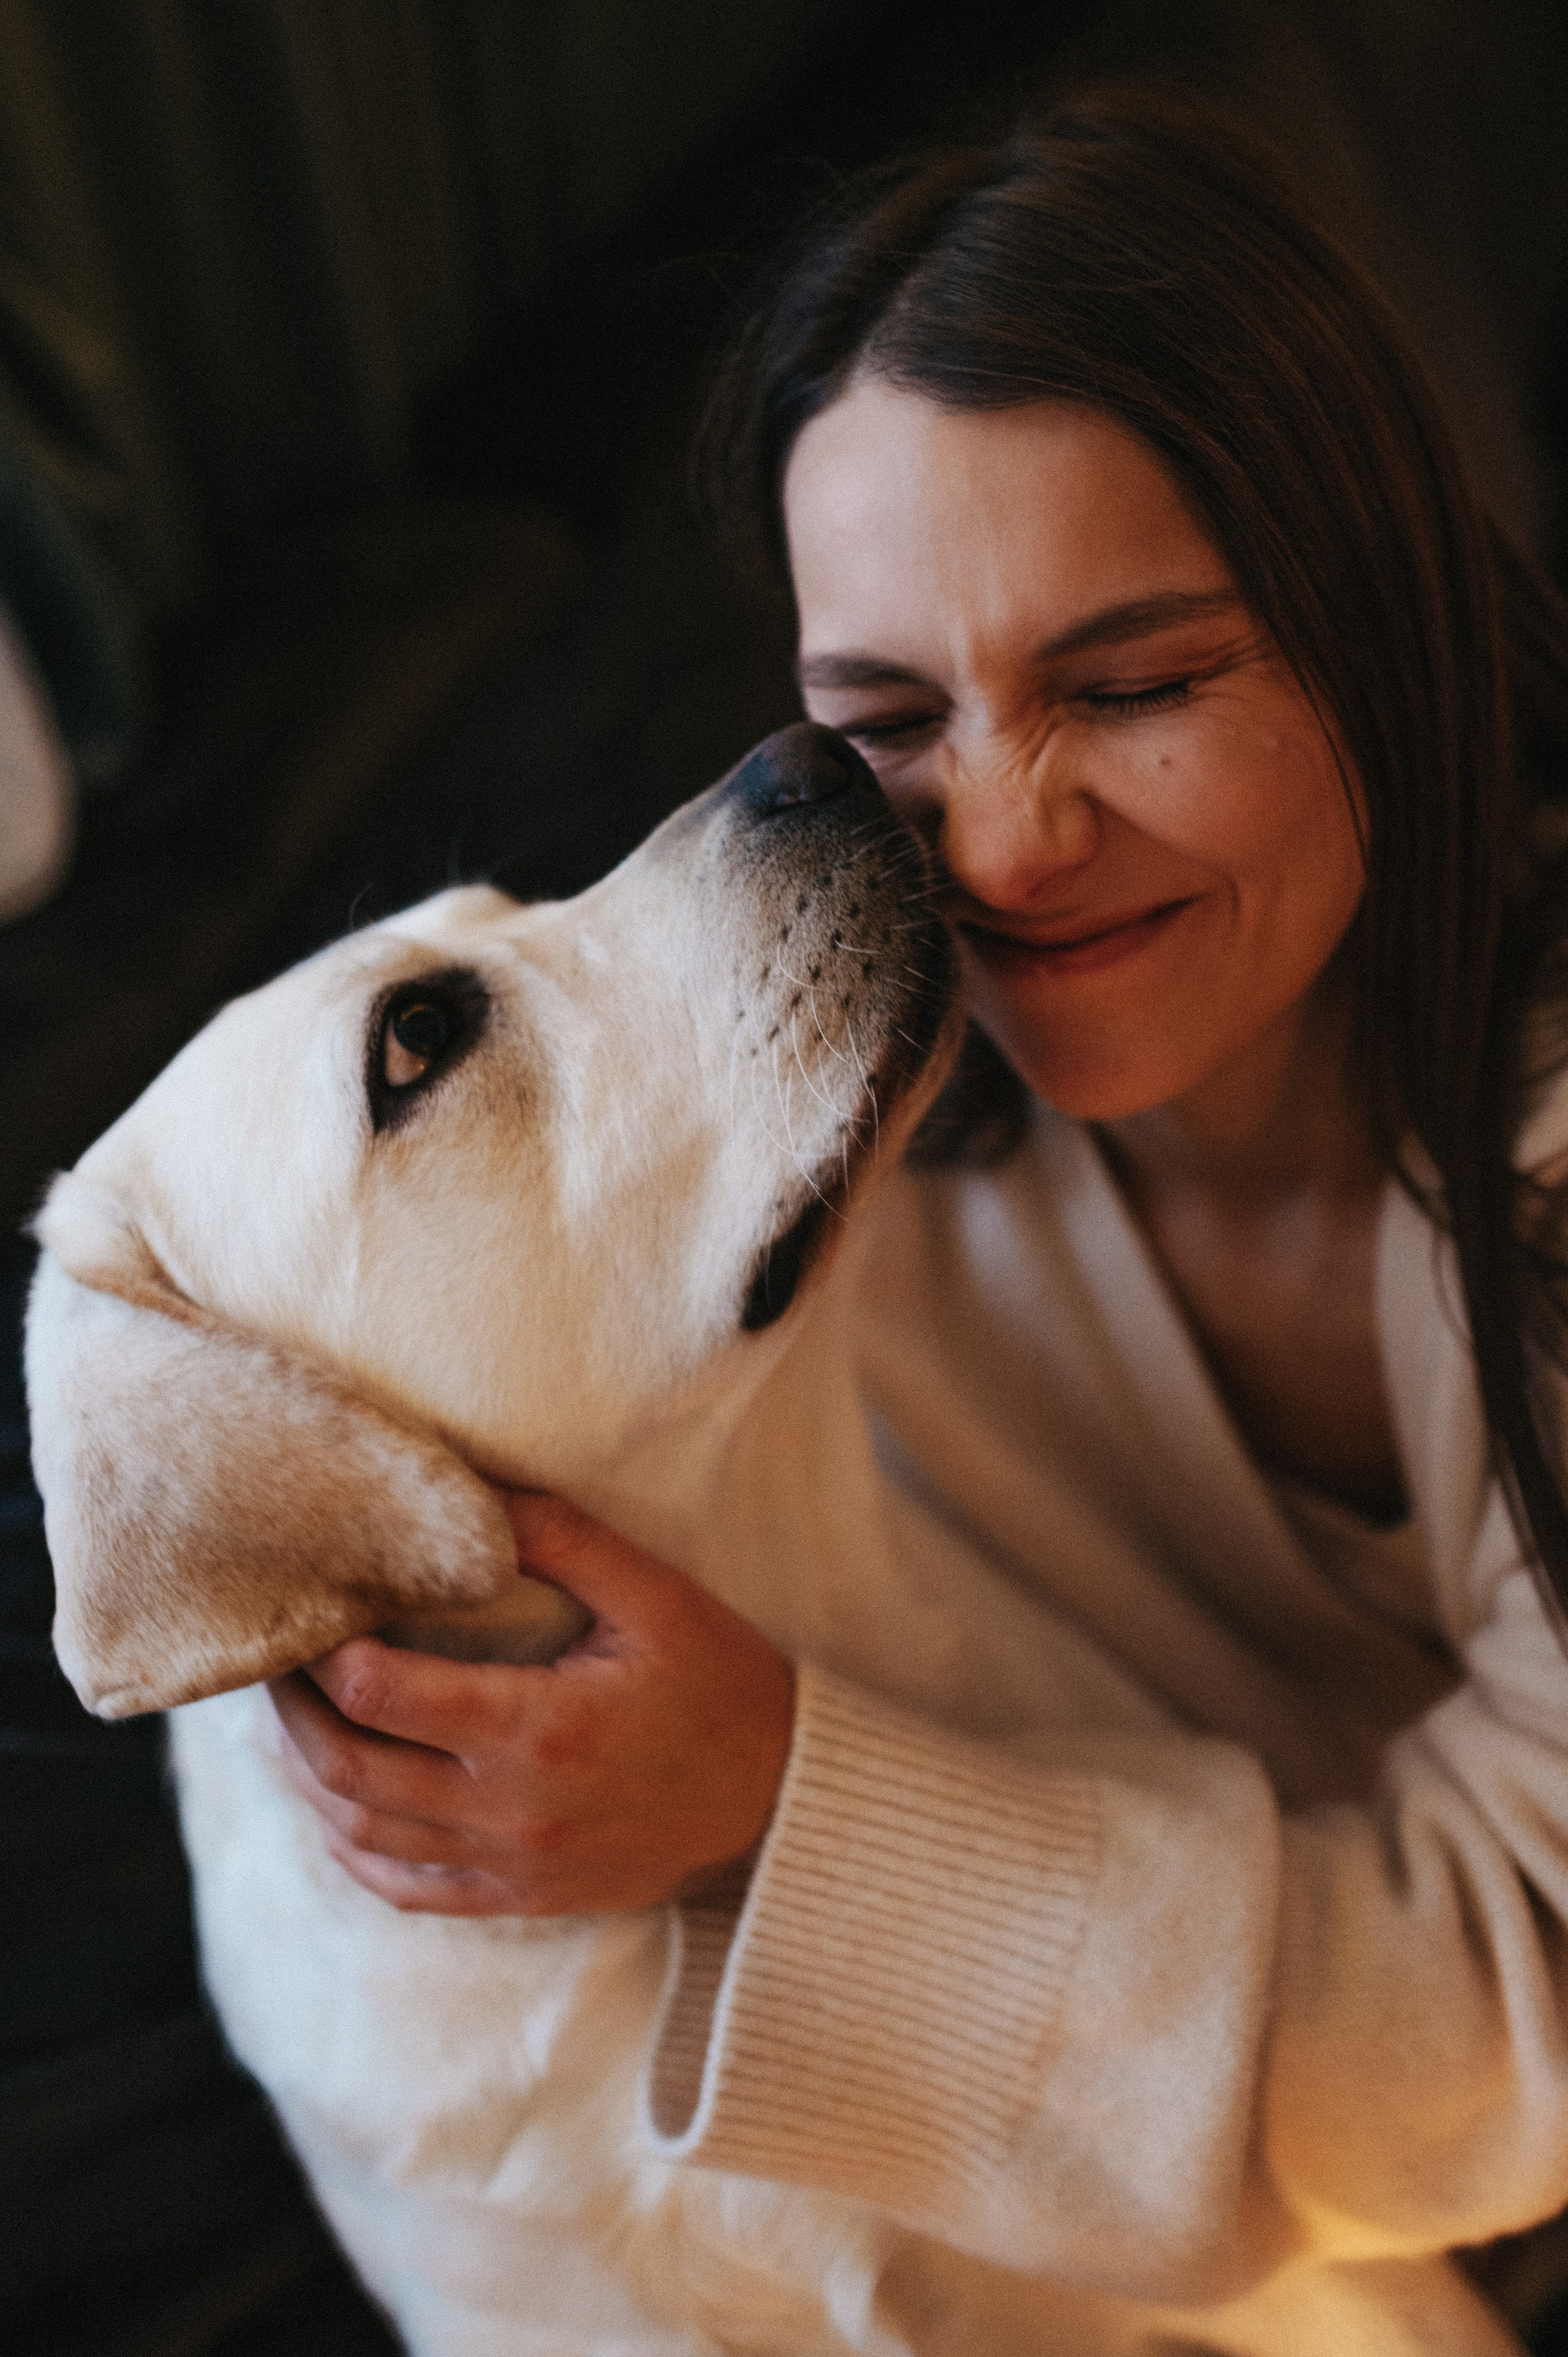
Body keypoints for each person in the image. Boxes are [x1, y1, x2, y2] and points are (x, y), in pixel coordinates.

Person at [267, 91, 1568, 2348]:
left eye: (1137, 684)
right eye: (887, 722)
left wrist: (778, 1810)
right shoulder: (828, 1216)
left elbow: (1525, 2003)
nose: (1002, 842)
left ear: (1380, 624)